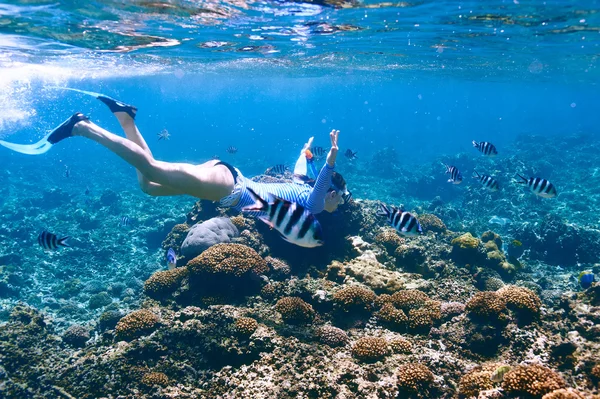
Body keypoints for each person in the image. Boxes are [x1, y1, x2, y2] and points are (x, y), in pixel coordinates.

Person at [0, 93, 348, 215]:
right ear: (330, 191)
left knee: (148, 185)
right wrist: (330, 156)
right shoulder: (316, 202)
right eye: (339, 198)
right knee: (153, 168)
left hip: (226, 176)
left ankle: (126, 117)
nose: (337, 205)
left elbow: (304, 165)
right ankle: (83, 127)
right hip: (229, 188)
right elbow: (320, 186)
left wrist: (308, 149)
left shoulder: (303, 186)